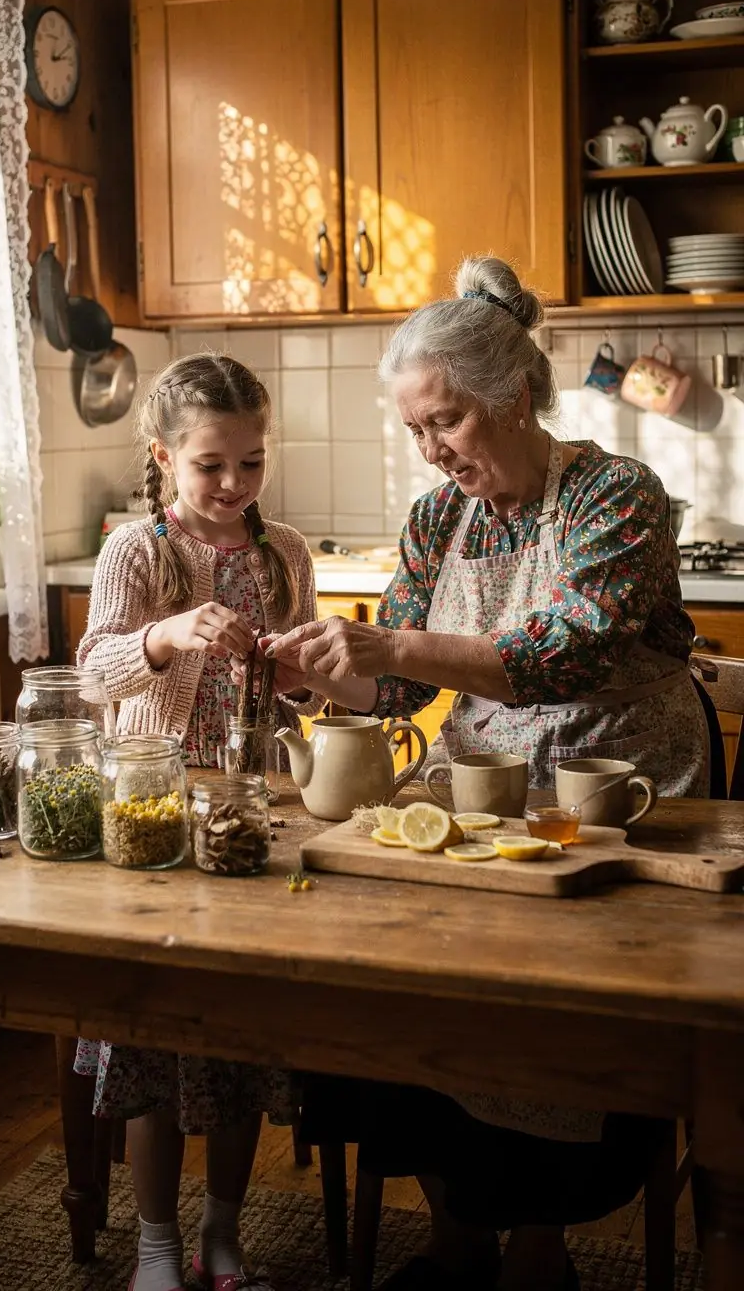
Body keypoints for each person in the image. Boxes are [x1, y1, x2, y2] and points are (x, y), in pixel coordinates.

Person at [265, 256, 710, 1291]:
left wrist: (391, 651)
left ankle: (540, 1246)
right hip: (478, 808)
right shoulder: (436, 521)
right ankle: (458, 1231)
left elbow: (569, 653)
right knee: (390, 982)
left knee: (549, 1006)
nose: (431, 451)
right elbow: (403, 694)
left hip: (618, 804)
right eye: (416, 430)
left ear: (515, 397)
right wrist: (318, 677)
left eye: (448, 423)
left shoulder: (618, 496)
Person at [76, 353, 324, 1291]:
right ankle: (152, 1246)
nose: (233, 485)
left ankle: (221, 1237)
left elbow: (293, 689)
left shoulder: (283, 553)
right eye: (211, 465)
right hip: (155, 822)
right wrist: (166, 636)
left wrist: (298, 670)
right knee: (150, 1038)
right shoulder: (138, 553)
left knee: (239, 1038)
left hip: (253, 816)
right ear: (164, 458)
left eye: (251, 463)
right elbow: (94, 669)